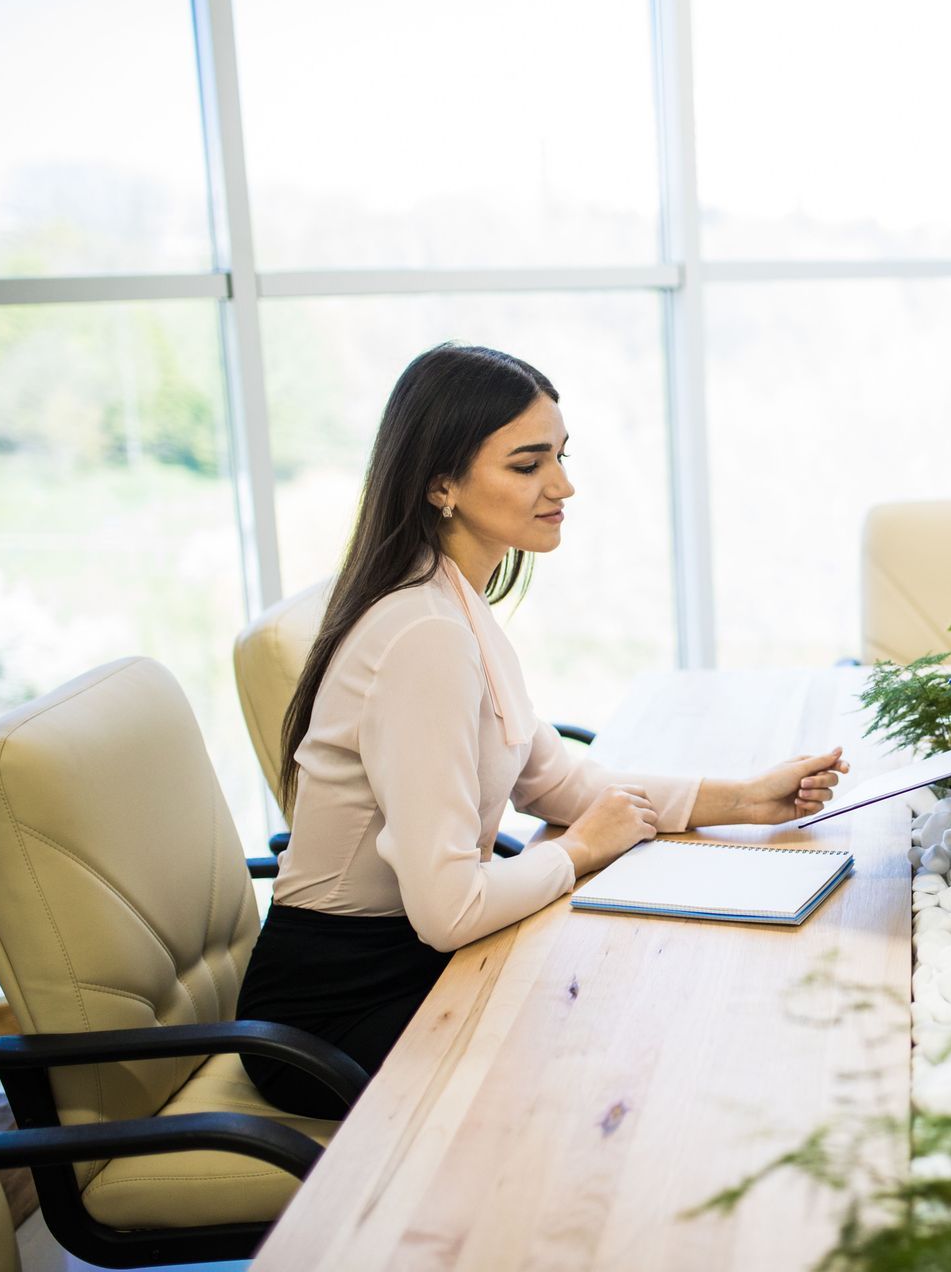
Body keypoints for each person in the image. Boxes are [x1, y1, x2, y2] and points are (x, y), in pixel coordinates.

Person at [237, 343, 848, 1117]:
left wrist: (744, 799)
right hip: (334, 1016)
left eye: (559, 457)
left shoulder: (457, 604)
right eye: (527, 466)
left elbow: (560, 783)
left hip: (413, 965)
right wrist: (581, 848)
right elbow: (450, 908)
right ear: (440, 485)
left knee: (631, 1013)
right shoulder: (423, 635)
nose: (562, 486)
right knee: (614, 1053)